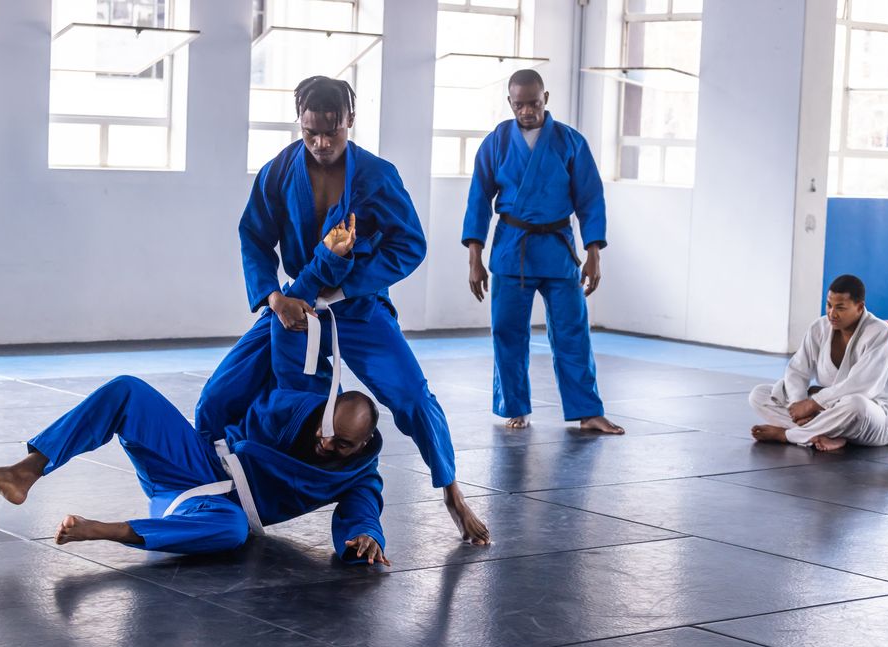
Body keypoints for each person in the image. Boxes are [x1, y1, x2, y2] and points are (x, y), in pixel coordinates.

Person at [195, 75, 489, 545]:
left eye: (332, 131)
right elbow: (254, 236)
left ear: (350, 121)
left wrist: (349, 283)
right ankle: (204, 489)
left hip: (358, 305)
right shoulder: (278, 170)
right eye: (310, 131)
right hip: (296, 302)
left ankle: (452, 491)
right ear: (299, 122)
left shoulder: (375, 175)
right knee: (215, 398)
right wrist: (273, 297)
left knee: (412, 398)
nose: (321, 142)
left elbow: (410, 245)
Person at [0, 376, 391, 565]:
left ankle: (112, 530)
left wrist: (365, 537)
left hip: (215, 508)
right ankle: (25, 471)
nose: (326, 442)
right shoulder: (297, 409)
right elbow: (239, 403)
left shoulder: (358, 474)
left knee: (233, 532)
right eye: (327, 429)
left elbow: (362, 510)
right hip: (196, 462)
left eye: (341, 444)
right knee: (128, 390)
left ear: (362, 446)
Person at [462, 69, 624, 434]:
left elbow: (590, 199)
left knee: (573, 331)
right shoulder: (497, 142)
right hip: (510, 246)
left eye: (533, 103)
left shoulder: (570, 141)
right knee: (507, 331)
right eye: (519, 104)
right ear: (510, 102)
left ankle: (587, 410)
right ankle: (514, 406)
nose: (527, 111)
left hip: (557, 246)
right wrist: (475, 257)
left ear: (545, 98)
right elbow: (478, 201)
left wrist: (594, 251)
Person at [749, 274, 888, 451]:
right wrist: (798, 404)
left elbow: (862, 386)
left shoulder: (880, 333)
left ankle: (789, 435)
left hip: (875, 417)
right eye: (829, 305)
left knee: (856, 404)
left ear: (859, 307)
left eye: (840, 308)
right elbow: (797, 370)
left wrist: (812, 404)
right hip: (831, 411)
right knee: (760, 394)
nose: (832, 313)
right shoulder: (819, 328)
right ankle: (824, 434)